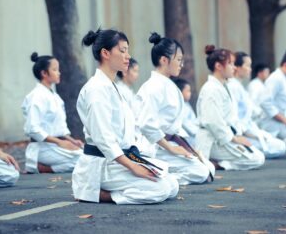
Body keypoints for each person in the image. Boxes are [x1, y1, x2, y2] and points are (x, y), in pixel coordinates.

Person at [72, 29, 179, 204]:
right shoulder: (96, 89)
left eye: (127, 50)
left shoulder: (111, 87)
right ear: (105, 53)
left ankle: (107, 188)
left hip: (119, 160)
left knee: (172, 185)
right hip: (103, 164)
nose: (127, 56)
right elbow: (104, 139)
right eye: (122, 51)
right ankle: (98, 193)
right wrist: (133, 167)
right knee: (160, 189)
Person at [136, 33, 214, 185]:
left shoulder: (168, 85)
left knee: (208, 167)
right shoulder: (153, 87)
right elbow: (147, 125)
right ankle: (160, 177)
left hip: (170, 142)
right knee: (201, 172)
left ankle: (163, 174)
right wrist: (172, 149)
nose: (181, 64)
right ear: (164, 60)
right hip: (155, 146)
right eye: (178, 60)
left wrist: (187, 147)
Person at [196, 45, 265, 171]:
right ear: (218, 66)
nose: (234, 67)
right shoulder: (211, 89)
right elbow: (213, 122)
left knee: (258, 155)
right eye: (231, 64)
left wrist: (237, 136)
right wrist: (234, 139)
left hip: (223, 136)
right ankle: (216, 164)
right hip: (213, 140)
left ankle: (217, 163)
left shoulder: (223, 86)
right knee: (256, 158)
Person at [22, 53, 83, 173]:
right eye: (55, 70)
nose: (59, 73)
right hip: (42, 148)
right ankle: (43, 168)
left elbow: (58, 128)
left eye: (58, 69)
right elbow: (33, 129)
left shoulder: (54, 96)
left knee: (90, 155)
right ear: (44, 73)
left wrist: (71, 141)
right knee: (85, 159)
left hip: (54, 146)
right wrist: (60, 143)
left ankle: (44, 167)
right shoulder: (37, 97)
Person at [228, 52, 286, 158]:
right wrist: (247, 135)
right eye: (247, 65)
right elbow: (235, 119)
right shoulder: (233, 87)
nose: (250, 69)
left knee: (279, 145)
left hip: (249, 128)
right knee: (278, 147)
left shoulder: (238, 86)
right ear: (237, 67)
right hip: (240, 133)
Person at [172, 78, 199, 147]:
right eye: (188, 91)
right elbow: (188, 127)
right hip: (188, 140)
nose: (190, 93)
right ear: (180, 92)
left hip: (194, 137)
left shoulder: (186, 104)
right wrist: (200, 132)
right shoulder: (179, 108)